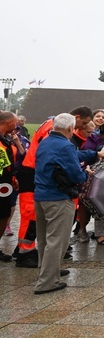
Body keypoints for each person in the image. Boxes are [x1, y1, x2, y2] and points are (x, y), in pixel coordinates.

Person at [33, 113, 96, 294]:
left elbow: (73, 154)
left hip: (41, 195)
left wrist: (93, 154)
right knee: (57, 241)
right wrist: (87, 173)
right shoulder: (66, 145)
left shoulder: (45, 142)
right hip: (58, 198)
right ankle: (47, 283)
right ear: (70, 129)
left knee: (44, 239)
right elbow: (76, 174)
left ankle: (46, 272)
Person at [0, 112, 21, 262]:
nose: (17, 125)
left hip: (5, 184)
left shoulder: (7, 139)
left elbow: (6, 163)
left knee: (4, 214)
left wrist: (12, 177)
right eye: (15, 122)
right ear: (9, 123)